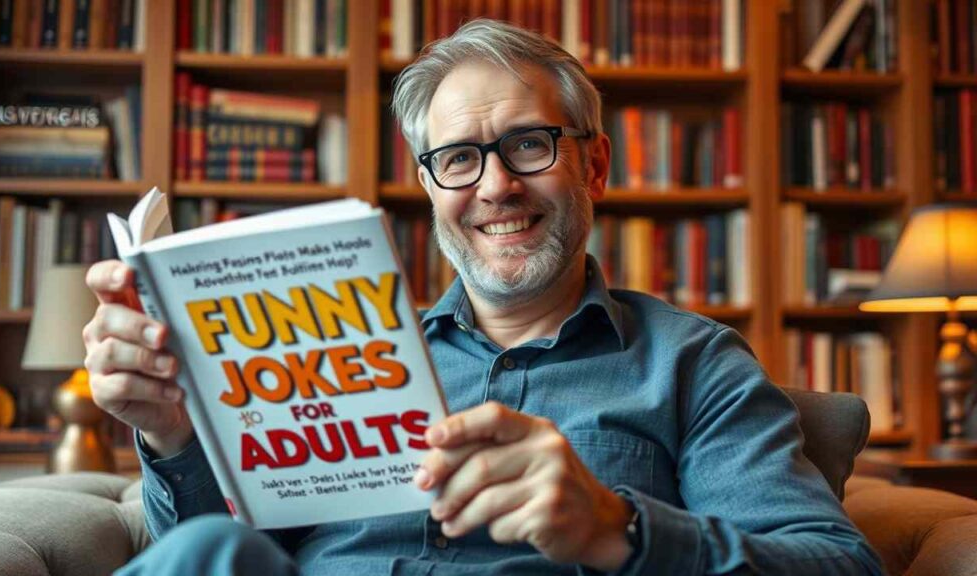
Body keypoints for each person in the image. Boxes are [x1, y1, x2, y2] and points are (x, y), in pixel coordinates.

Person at [84, 19, 883, 575]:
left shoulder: (692, 363)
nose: (496, 187)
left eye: (529, 145)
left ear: (594, 167)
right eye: (459, 159)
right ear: (431, 189)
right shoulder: (342, 361)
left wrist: (618, 529)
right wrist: (173, 437)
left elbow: (837, 565)